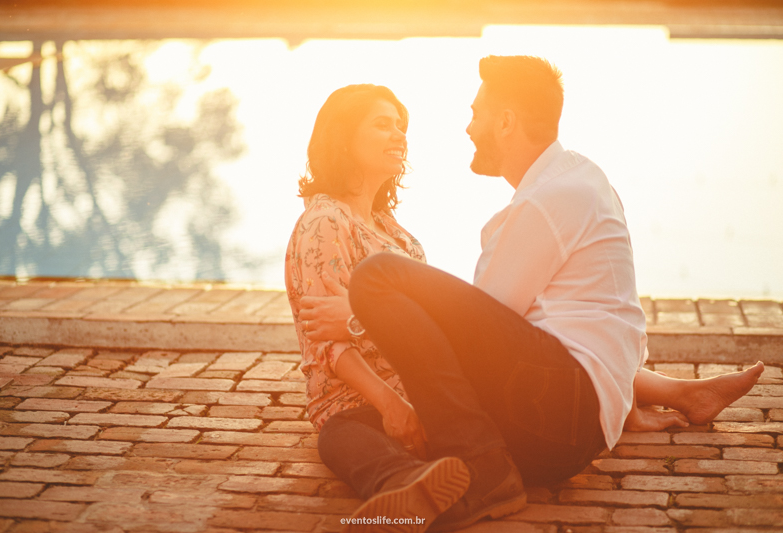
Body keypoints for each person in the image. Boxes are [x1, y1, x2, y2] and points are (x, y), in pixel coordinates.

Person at [299, 56, 765, 531]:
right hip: (563, 424)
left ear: (505, 122)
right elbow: (560, 322)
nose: (467, 127)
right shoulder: (577, 180)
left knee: (378, 276)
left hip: (557, 412)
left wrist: (360, 314)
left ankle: (483, 471)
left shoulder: (548, 200)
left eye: (476, 113)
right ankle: (435, 479)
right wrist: (619, 403)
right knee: (350, 425)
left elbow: (475, 333)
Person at [285, 84, 472, 533]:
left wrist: (360, 320)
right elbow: (326, 342)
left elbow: (427, 321)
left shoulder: (396, 234)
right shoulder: (325, 221)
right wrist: (390, 405)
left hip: (423, 387)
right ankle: (402, 498)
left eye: (401, 126)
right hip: (357, 402)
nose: (399, 135)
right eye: (382, 124)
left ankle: (447, 485)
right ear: (345, 138)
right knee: (346, 439)